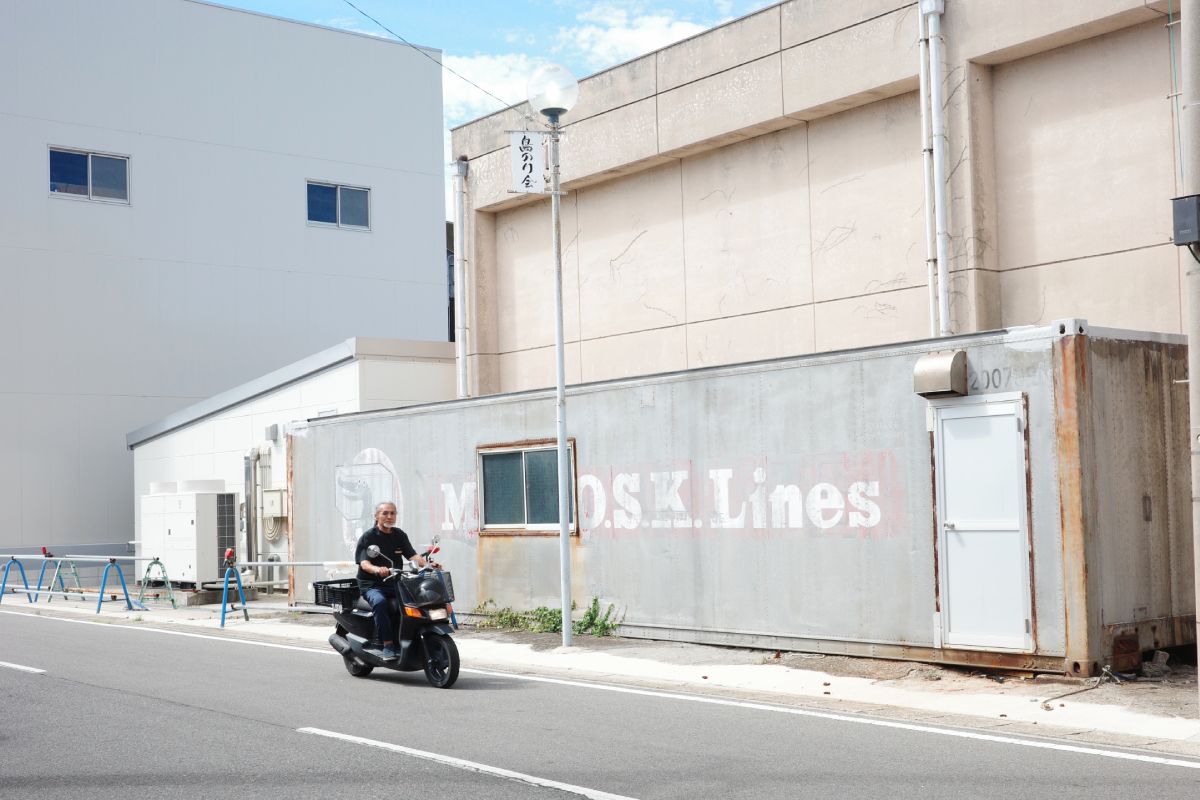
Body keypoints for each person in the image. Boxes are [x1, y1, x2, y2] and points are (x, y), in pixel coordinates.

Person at [354, 501, 427, 659]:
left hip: (395, 582)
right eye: (385, 513)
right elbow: (364, 563)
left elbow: (412, 556)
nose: (389, 516)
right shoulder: (369, 537)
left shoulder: (399, 535)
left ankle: (413, 639)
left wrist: (428, 565)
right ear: (376, 516)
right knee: (380, 603)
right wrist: (377, 570)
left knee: (417, 599)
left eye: (392, 513)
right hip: (372, 585)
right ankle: (387, 644)